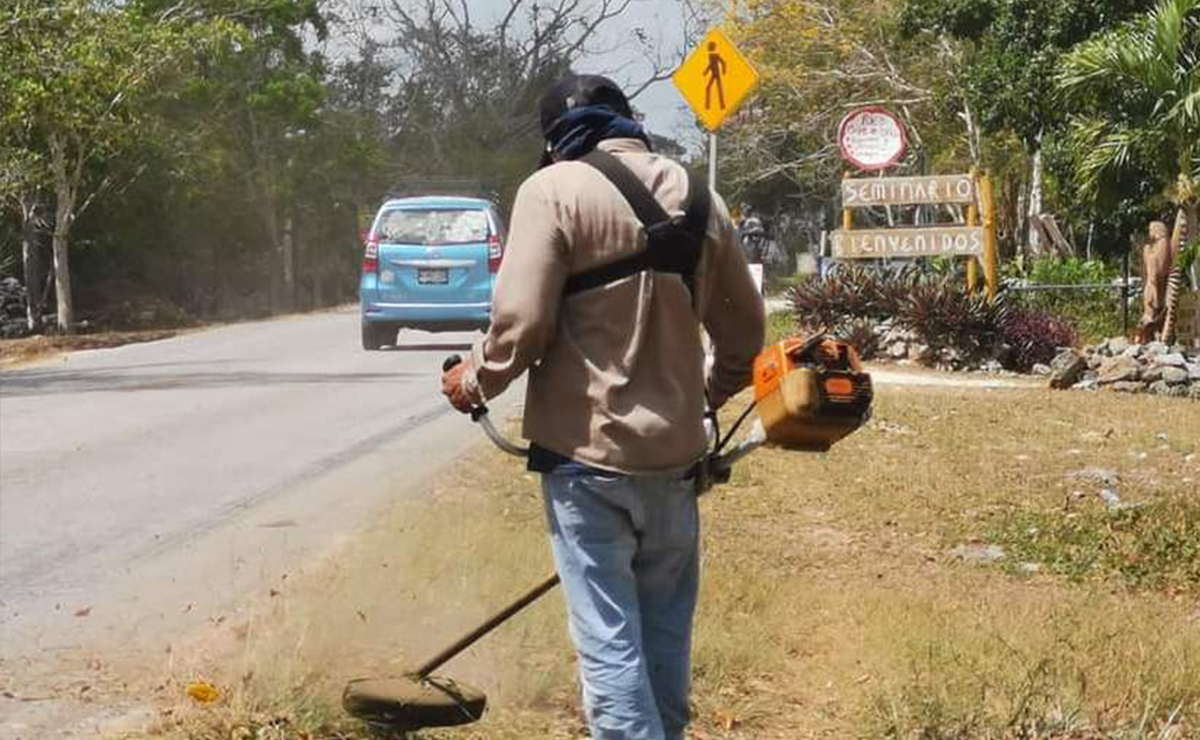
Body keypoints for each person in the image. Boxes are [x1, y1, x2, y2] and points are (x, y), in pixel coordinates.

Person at [440, 73, 764, 740]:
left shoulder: (552, 189)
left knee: (609, 641)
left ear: (555, 138)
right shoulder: (701, 196)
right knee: (664, 637)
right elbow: (745, 335)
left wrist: (473, 381)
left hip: (586, 462)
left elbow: (521, 325)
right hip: (676, 462)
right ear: (628, 122)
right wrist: (705, 397)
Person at [1138, 221, 1173, 343]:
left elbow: (1154, 276)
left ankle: (1149, 336)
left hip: (1154, 290)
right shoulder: (1163, 246)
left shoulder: (1155, 251)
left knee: (1151, 314)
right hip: (1158, 288)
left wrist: (1155, 297)